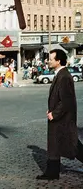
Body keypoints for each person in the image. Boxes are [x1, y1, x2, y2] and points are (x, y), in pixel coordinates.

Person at [36, 49, 83, 180]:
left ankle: (52, 172)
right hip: (59, 118)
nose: (48, 61)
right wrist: (51, 110)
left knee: (73, 146)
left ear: (58, 61)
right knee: (55, 145)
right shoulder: (60, 74)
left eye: (51, 59)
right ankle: (52, 172)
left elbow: (66, 100)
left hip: (63, 119)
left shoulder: (64, 76)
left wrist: (55, 114)